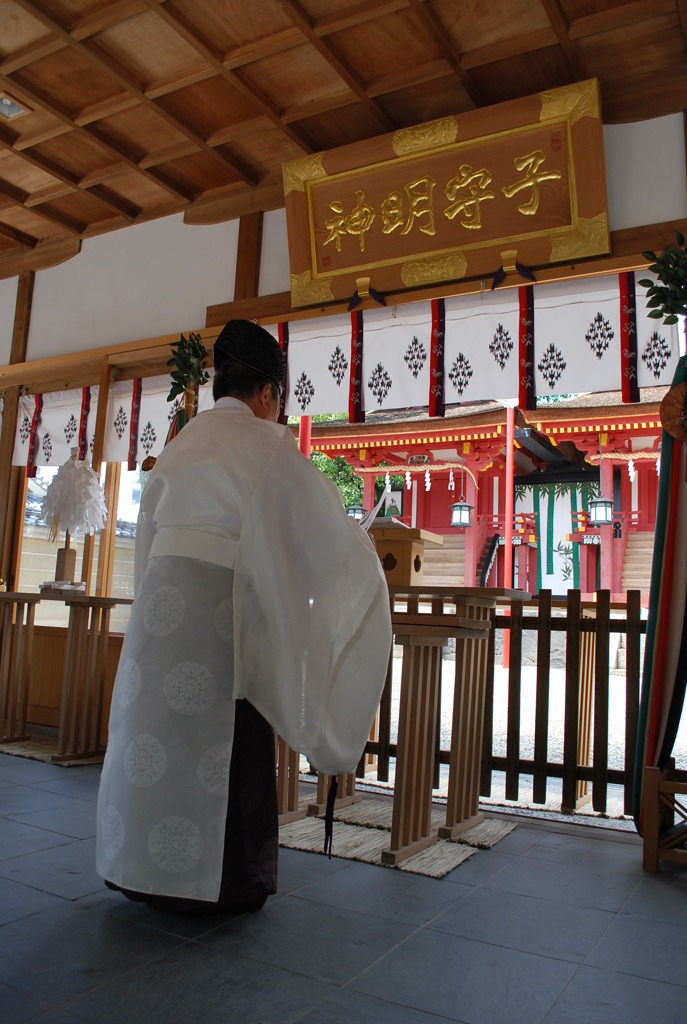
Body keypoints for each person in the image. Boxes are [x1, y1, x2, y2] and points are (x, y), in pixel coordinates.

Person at [96, 319, 391, 914]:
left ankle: (137, 869)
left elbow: (147, 537)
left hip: (159, 609)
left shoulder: (179, 446)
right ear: (268, 394)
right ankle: (224, 884)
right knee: (225, 729)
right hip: (216, 612)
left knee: (155, 735)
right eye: (280, 402)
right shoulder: (267, 448)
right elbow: (318, 536)